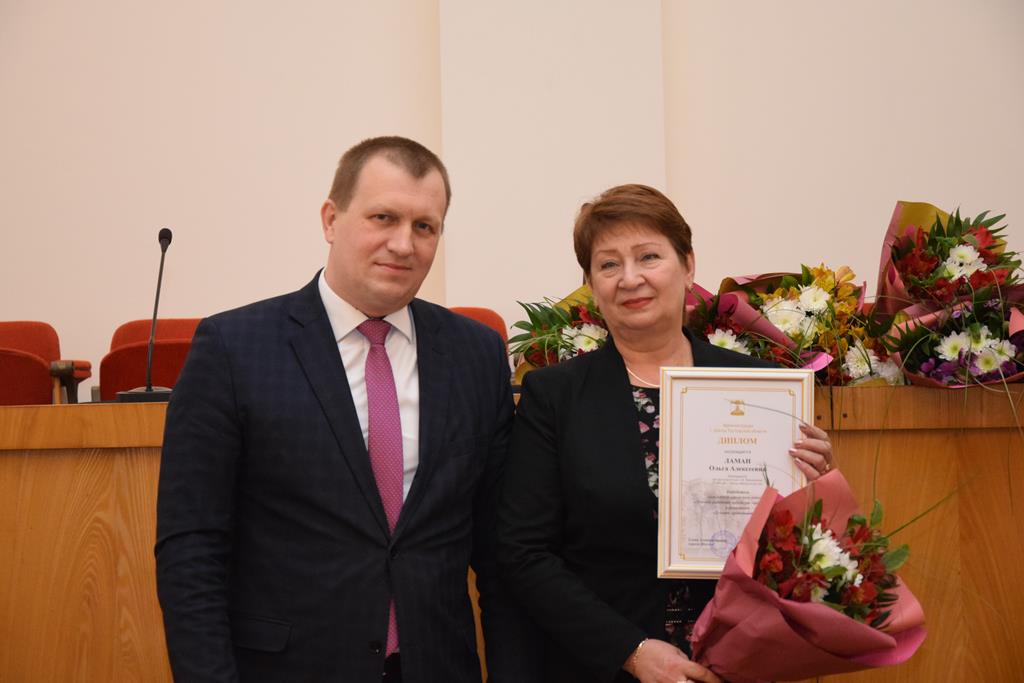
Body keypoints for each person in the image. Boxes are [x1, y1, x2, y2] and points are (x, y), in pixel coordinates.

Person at [156, 136, 537, 682]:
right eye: (384, 218)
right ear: (331, 219)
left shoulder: (475, 354)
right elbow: (191, 547)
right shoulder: (234, 348)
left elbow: (501, 555)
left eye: (424, 227)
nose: (403, 244)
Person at [496, 184, 834, 683]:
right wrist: (630, 651)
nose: (630, 278)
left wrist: (815, 483)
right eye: (608, 265)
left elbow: (791, 544)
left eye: (649, 256)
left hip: (743, 658)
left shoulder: (761, 388)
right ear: (591, 284)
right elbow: (523, 553)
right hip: (606, 665)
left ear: (688, 265)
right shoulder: (555, 396)